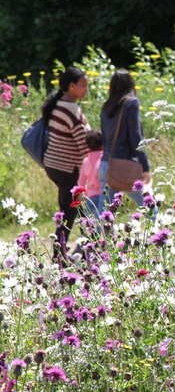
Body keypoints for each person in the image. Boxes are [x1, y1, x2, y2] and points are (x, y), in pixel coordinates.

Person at [42, 66, 90, 258]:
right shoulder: (72, 110)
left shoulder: (58, 104)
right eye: (83, 85)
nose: (86, 89)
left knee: (71, 210)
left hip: (54, 165)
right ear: (71, 86)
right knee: (74, 212)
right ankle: (66, 255)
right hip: (68, 168)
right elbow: (84, 144)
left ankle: (69, 253)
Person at [98, 69, 152, 210]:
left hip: (106, 164)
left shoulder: (106, 106)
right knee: (151, 208)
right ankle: (155, 232)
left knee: (104, 215)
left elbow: (104, 137)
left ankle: (96, 233)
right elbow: (136, 137)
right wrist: (145, 166)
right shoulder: (131, 103)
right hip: (125, 166)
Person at [77, 130, 103, 219]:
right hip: (103, 196)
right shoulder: (104, 159)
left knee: (94, 229)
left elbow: (81, 184)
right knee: (107, 226)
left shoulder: (85, 161)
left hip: (90, 199)